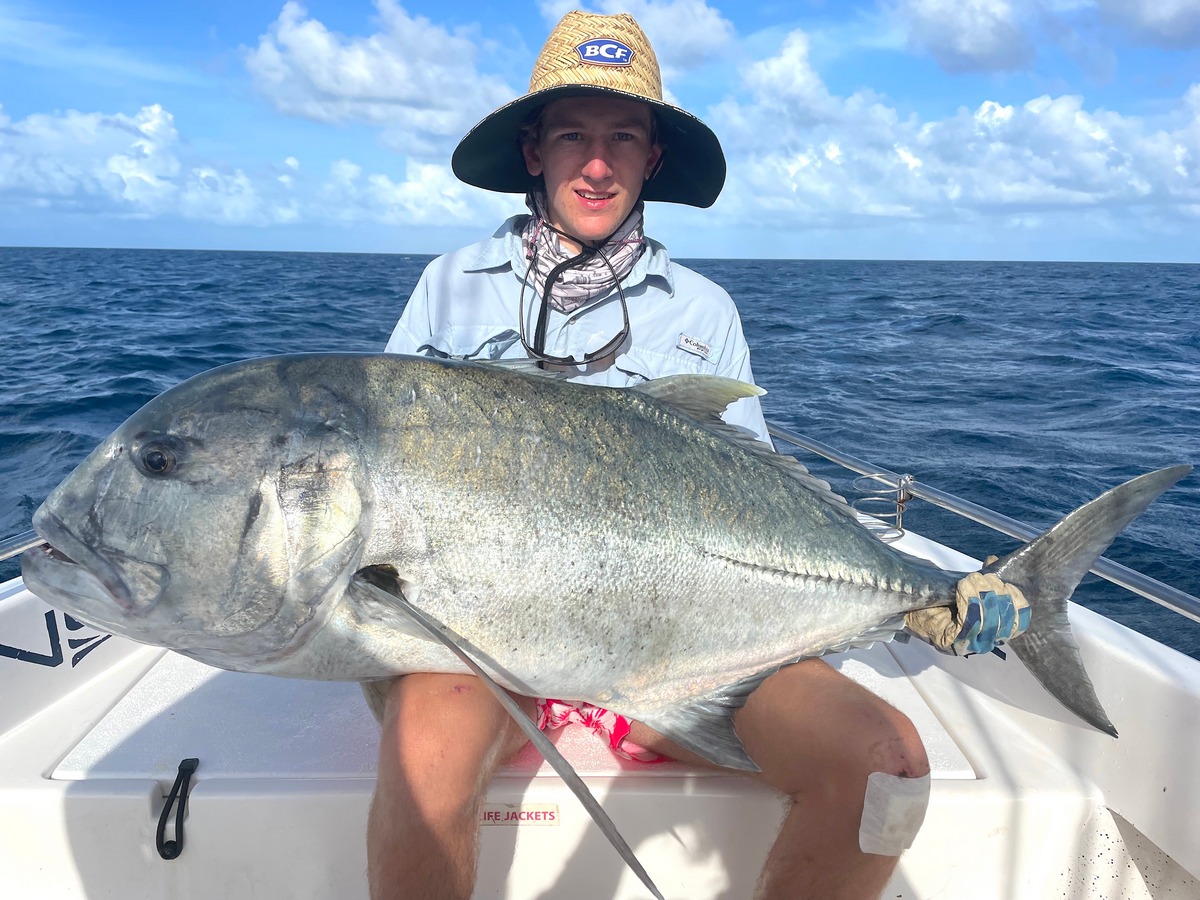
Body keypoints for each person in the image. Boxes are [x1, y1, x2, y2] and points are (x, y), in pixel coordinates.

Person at [367, 11, 1019, 899]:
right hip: (487, 639)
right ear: (532, 152)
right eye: (573, 136)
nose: (597, 164)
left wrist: (912, 592)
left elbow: (756, 495)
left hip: (684, 639)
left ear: (653, 160)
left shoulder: (703, 311)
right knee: (422, 749)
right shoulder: (448, 288)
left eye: (623, 138)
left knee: (883, 759)